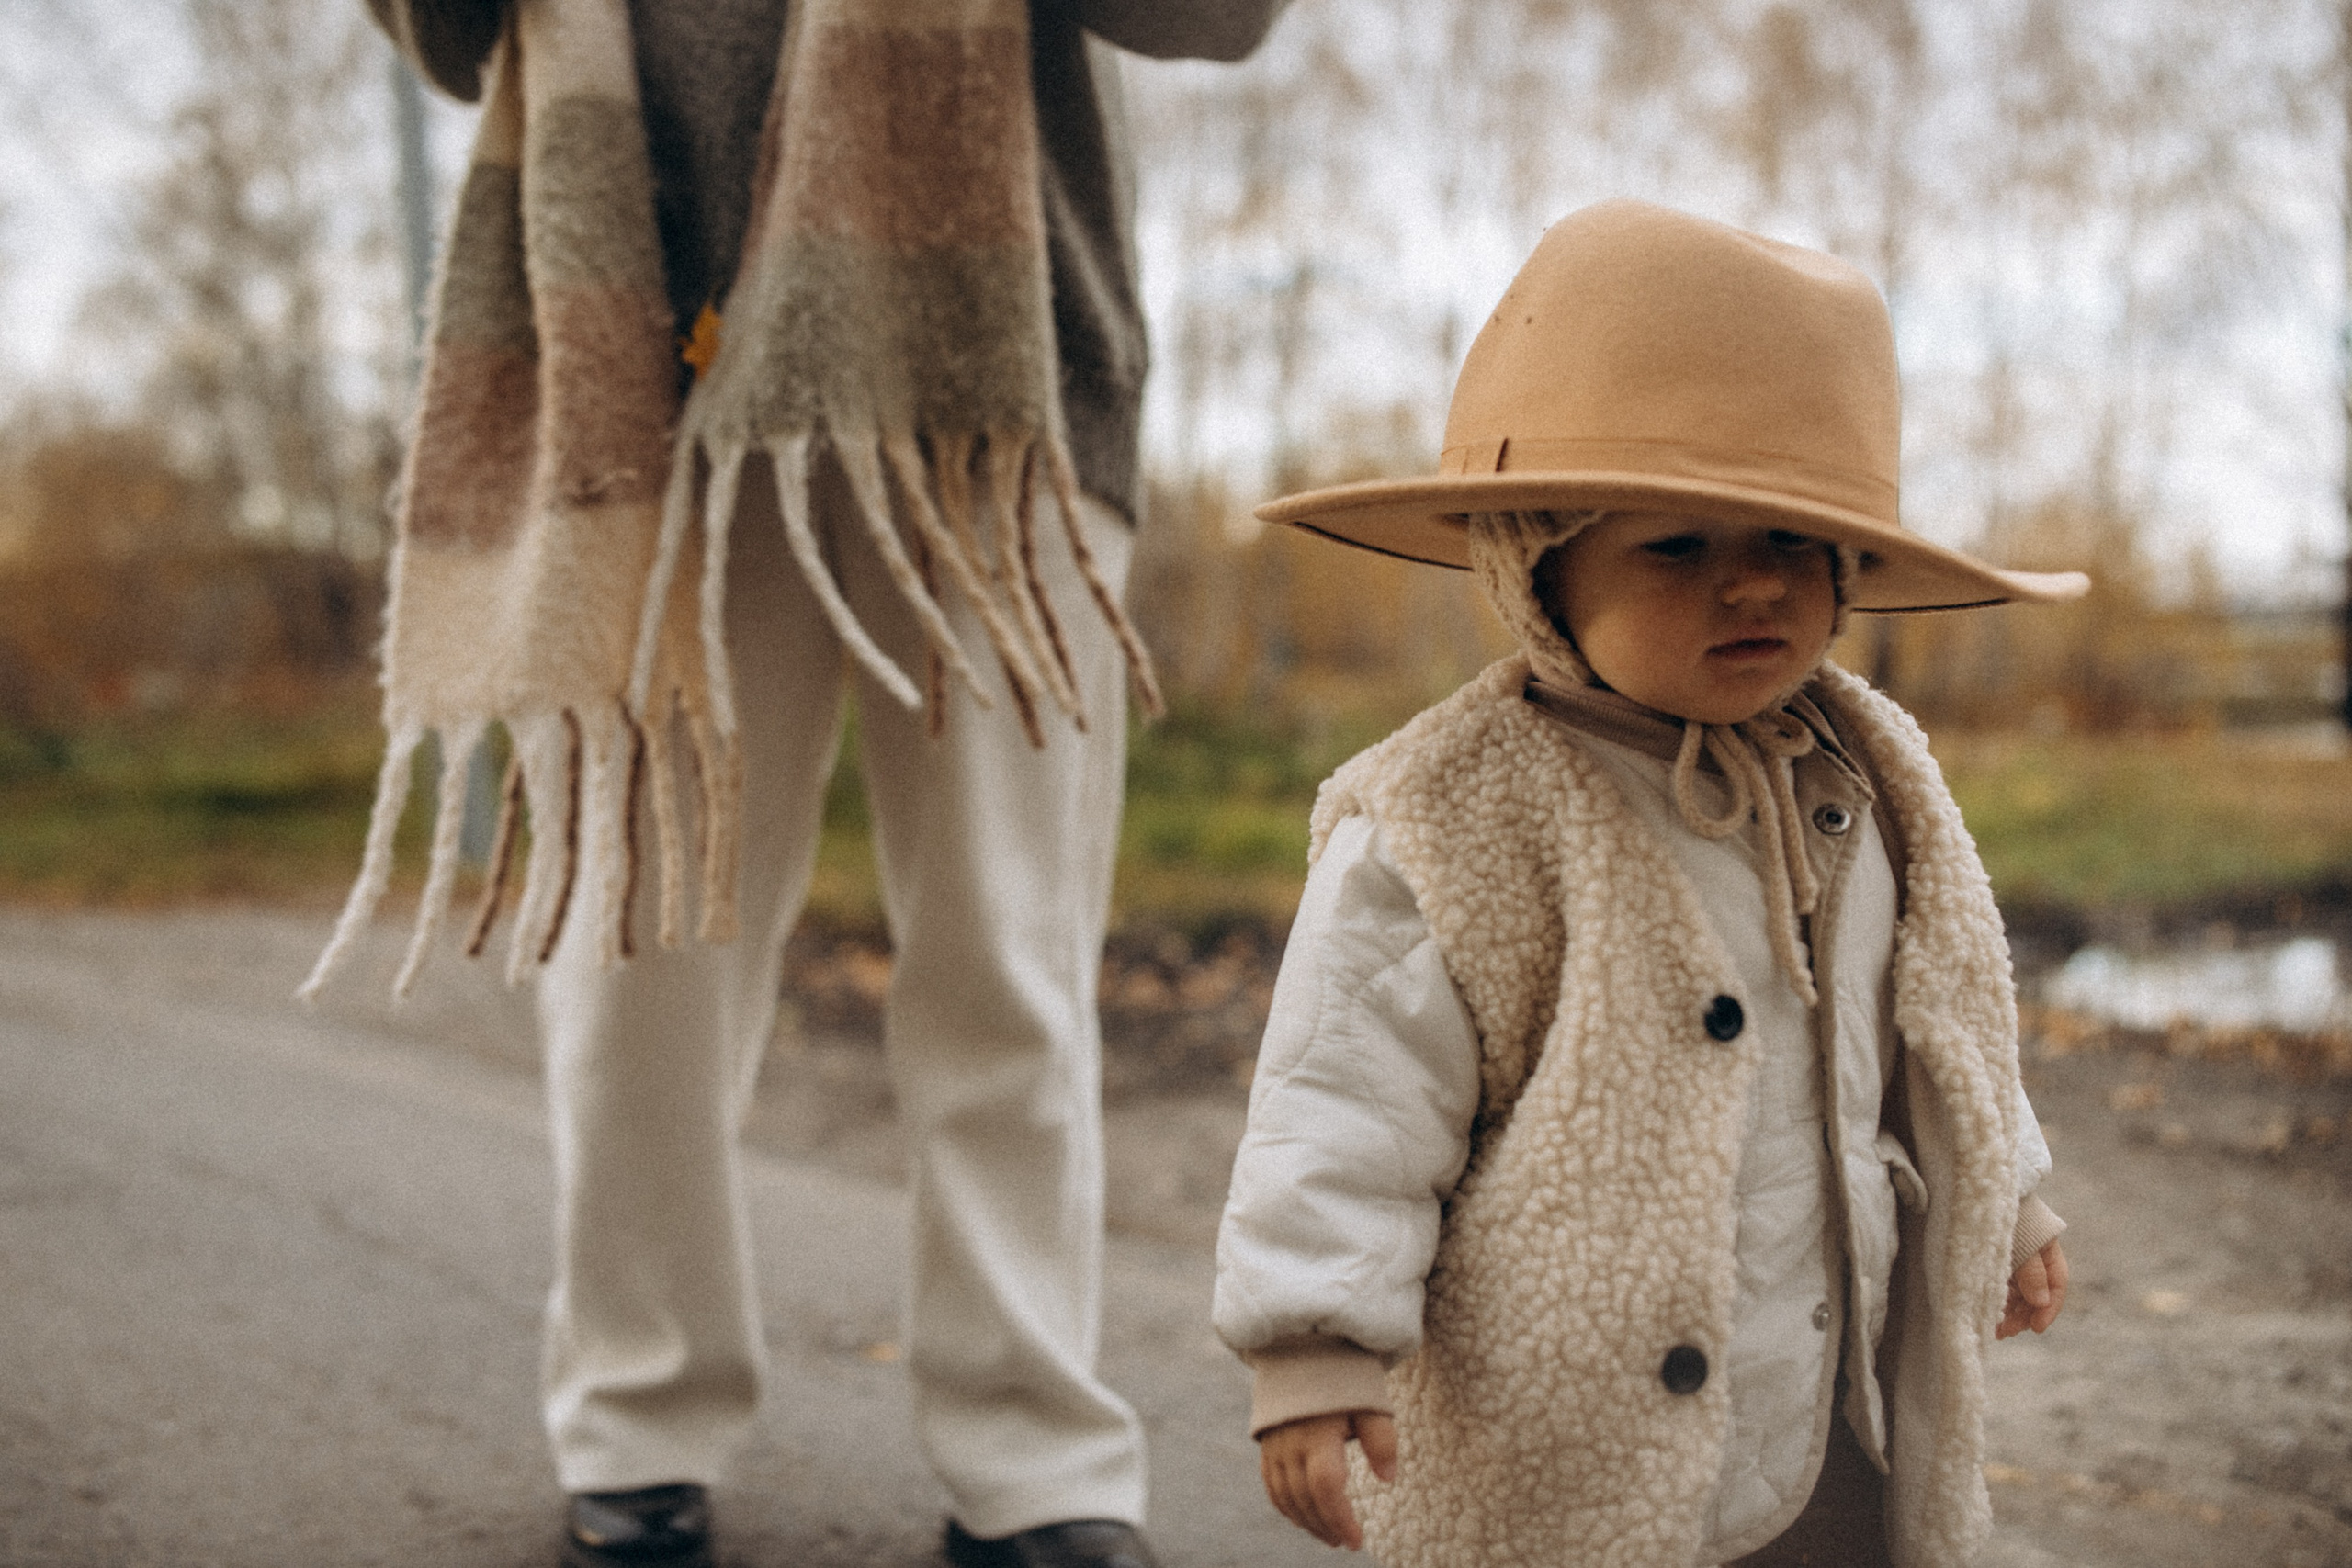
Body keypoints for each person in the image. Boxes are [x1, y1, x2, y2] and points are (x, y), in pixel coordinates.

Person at [328, 3, 1285, 1565]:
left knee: (1008, 949)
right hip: (641, 373)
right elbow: (442, 27)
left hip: (991, 373)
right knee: (638, 955)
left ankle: (1035, 1466)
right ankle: (638, 1423)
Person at [1211, 200, 2082, 1567]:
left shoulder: (1864, 773)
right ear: (1541, 565)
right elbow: (1347, 1096)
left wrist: (2005, 1190)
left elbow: (1940, 1014)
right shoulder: (1455, 816)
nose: (1752, 588)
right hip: (1566, 1433)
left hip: (1819, 1389)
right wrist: (1313, 1340)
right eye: (1678, 547)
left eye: (1794, 547)